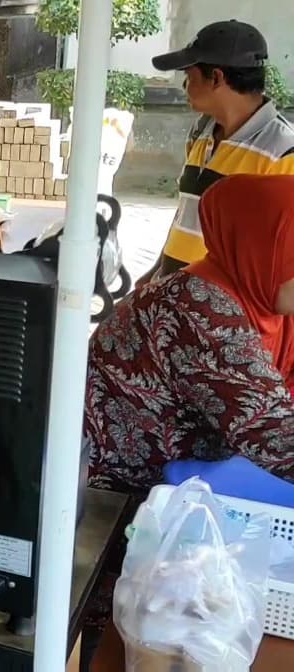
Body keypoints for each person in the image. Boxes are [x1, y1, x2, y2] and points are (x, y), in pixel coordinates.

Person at [86, 175, 294, 495]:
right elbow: (278, 441)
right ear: (267, 248)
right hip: (124, 495)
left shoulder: (267, 302)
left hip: (197, 483)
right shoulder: (199, 314)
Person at [141, 20, 294, 282]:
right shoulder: (201, 131)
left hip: (220, 310)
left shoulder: (283, 150)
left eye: (189, 76)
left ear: (217, 78)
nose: (185, 87)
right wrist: (157, 270)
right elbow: (186, 211)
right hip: (173, 290)